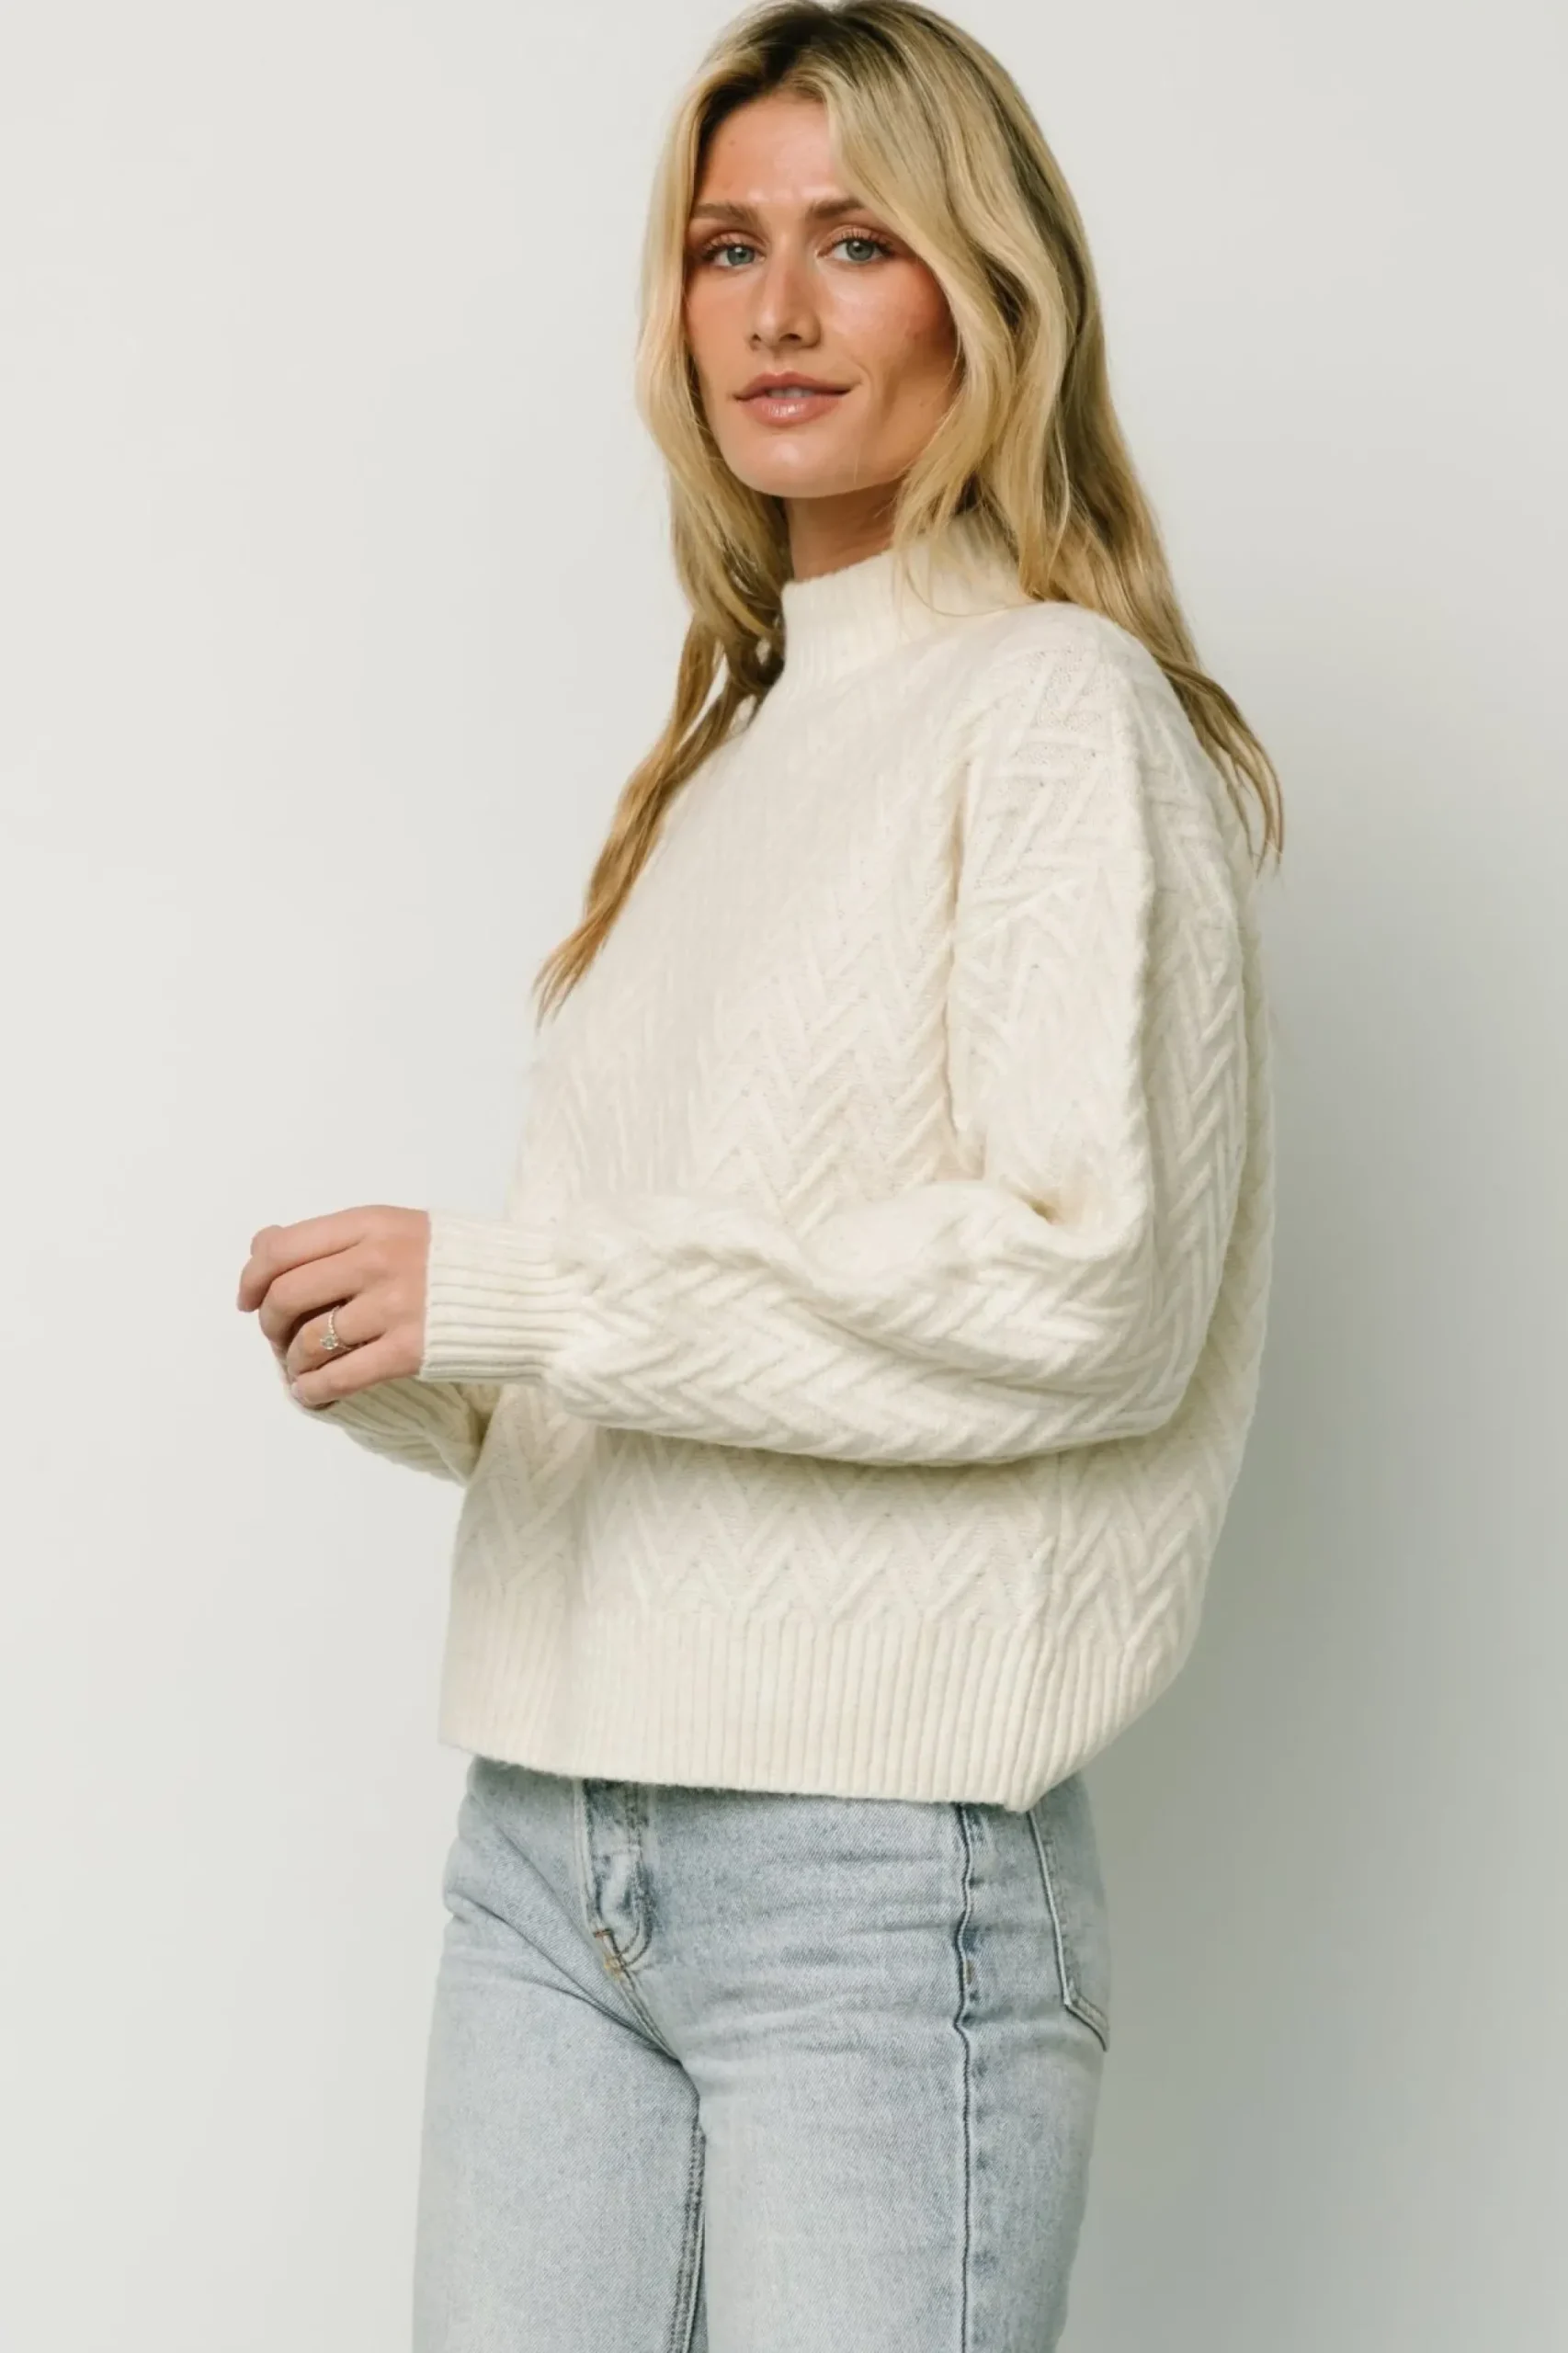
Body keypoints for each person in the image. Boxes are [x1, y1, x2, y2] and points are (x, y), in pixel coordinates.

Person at [235, 4, 1282, 2345]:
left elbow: (1085, 1294)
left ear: (985, 294)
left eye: (855, 241)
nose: (776, 312)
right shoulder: (721, 763)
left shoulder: (1054, 708)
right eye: (725, 247)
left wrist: (522, 1294)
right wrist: (429, 1361)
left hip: (871, 1879)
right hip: (546, 1845)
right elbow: (693, 1337)